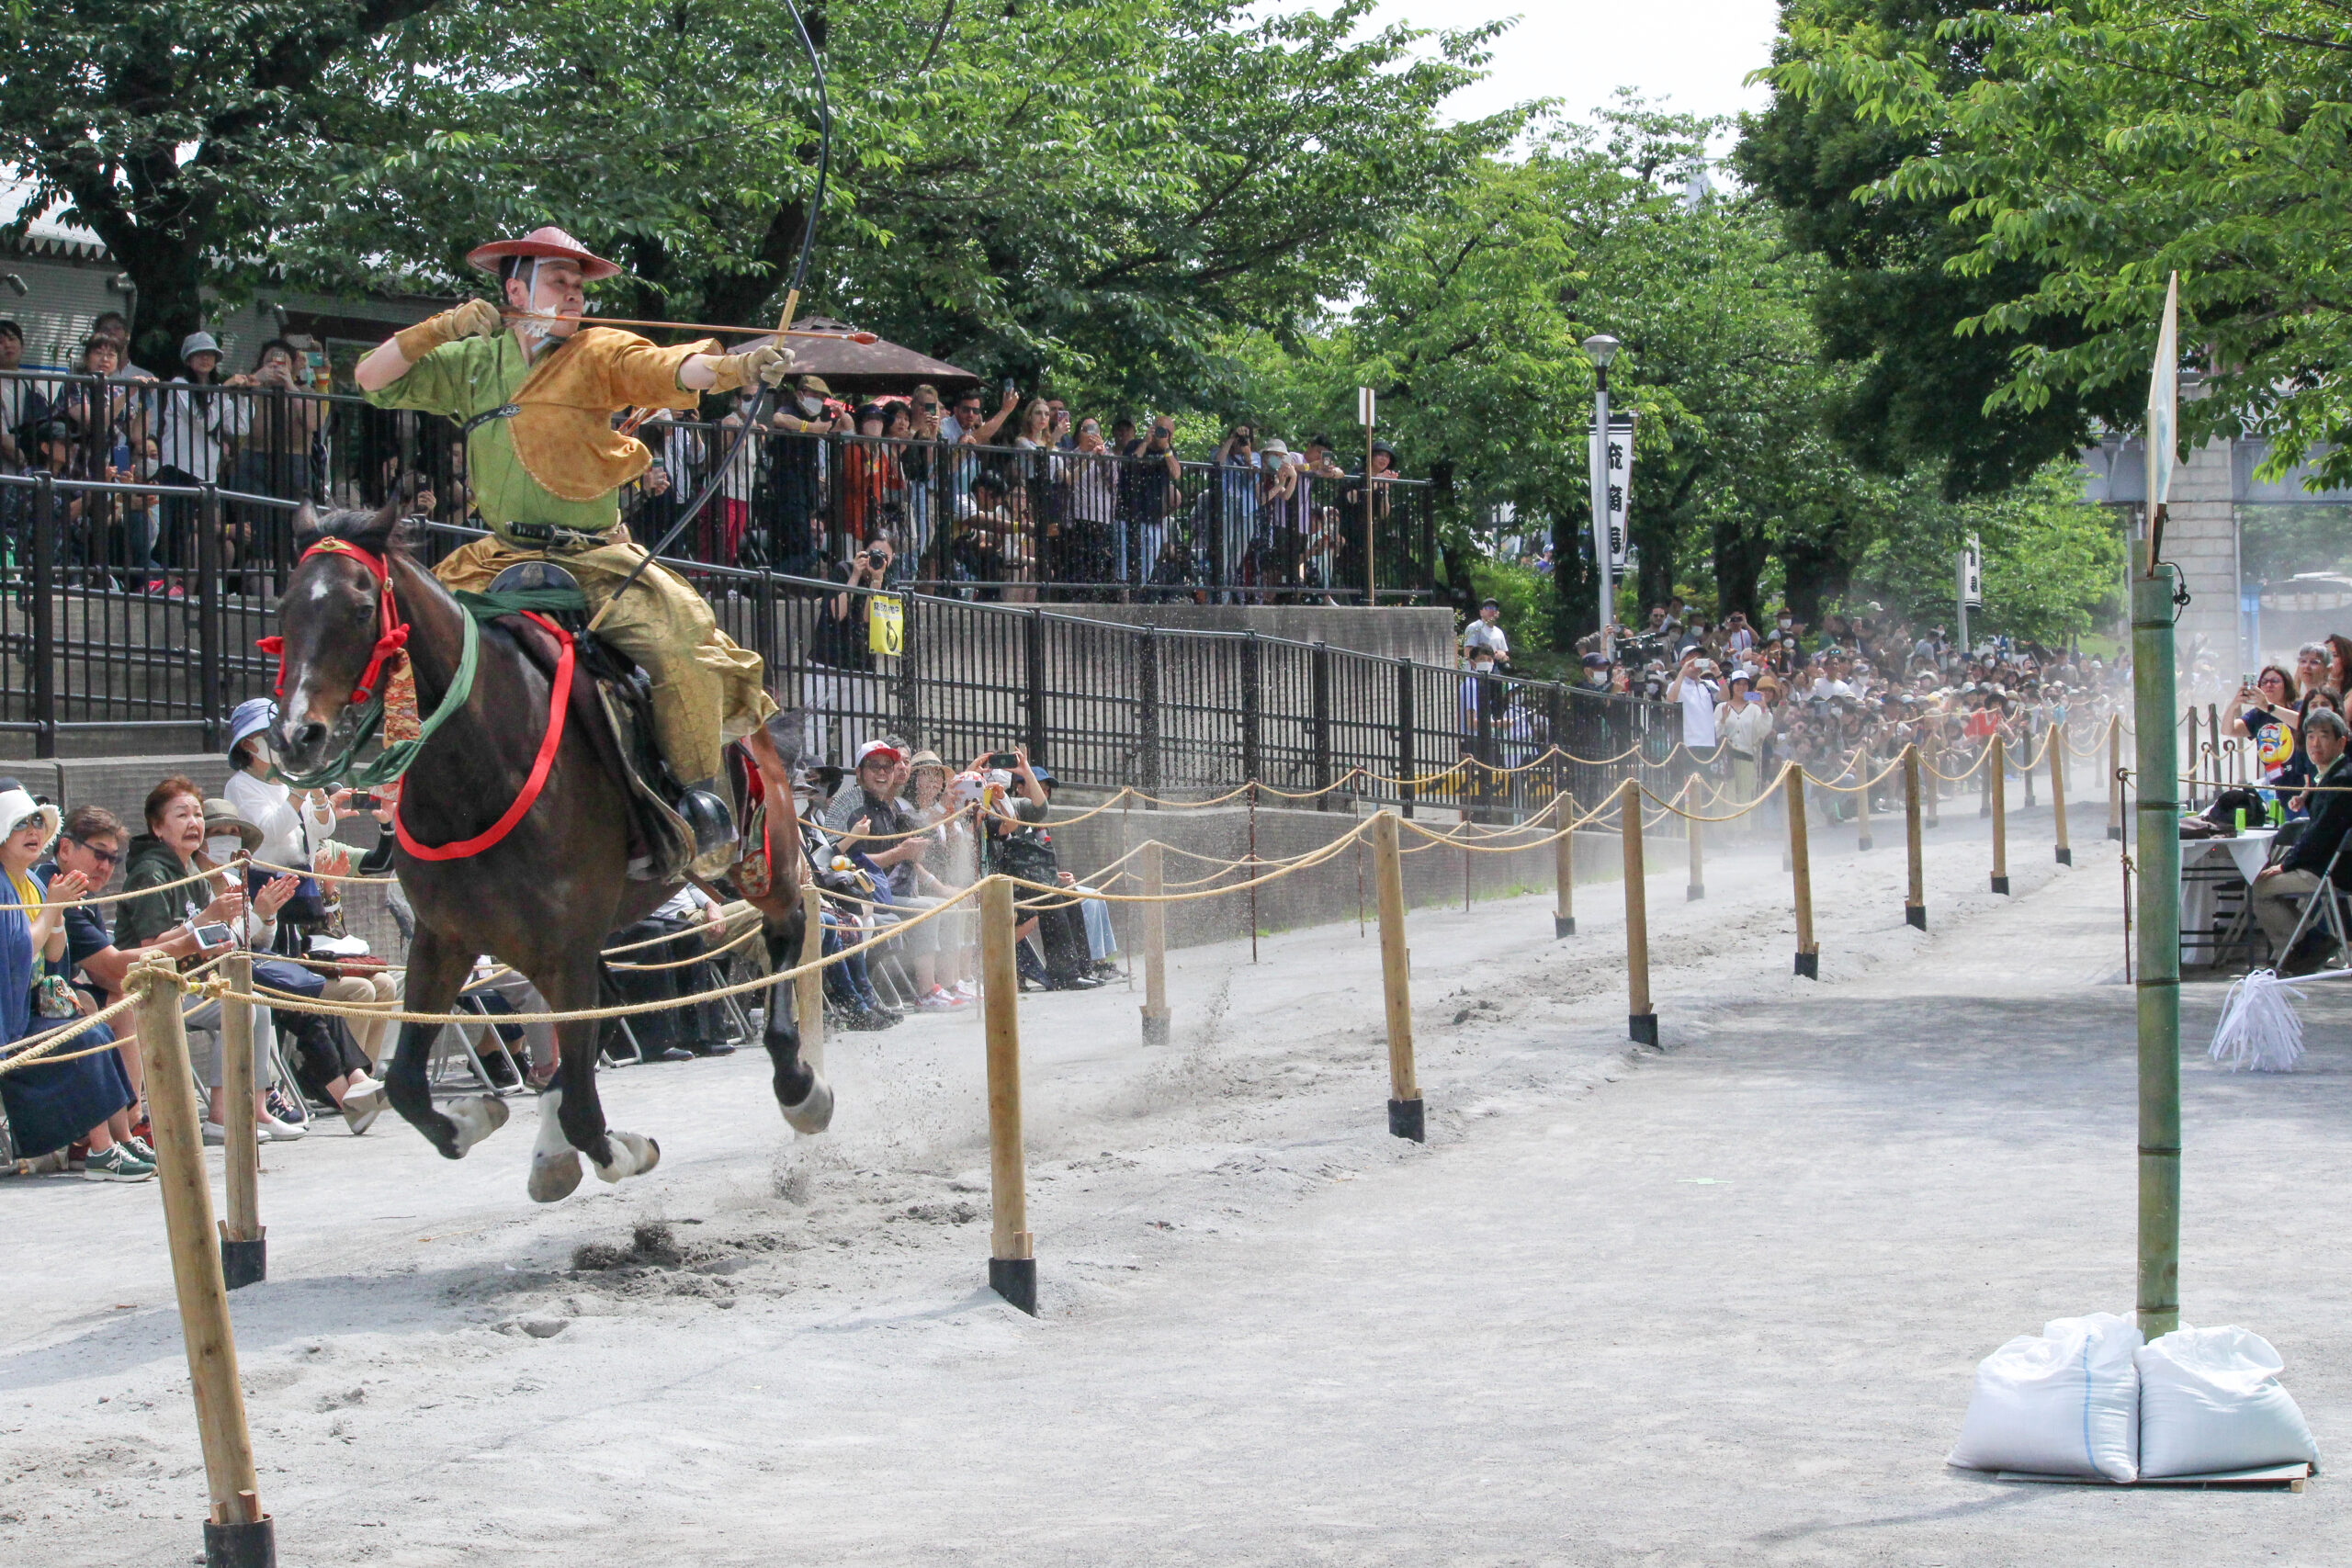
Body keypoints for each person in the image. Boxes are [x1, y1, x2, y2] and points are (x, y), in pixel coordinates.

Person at [352, 226, 799, 873]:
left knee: (686, 649)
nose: (573, 295)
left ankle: (698, 805)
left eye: (579, 286)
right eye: (558, 282)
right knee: (407, 646)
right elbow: (370, 377)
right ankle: (401, 799)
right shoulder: (474, 362)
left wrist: (738, 368)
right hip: (498, 556)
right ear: (514, 291)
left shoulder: (597, 350)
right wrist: (440, 328)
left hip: (596, 559)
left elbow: (669, 368)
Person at [0, 783, 149, 1179]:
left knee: (94, 1028)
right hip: (7, 1020)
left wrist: (57, 913)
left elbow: (53, 957)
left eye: (37, 822)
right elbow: (17, 954)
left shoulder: (34, 883)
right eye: (21, 823)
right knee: (81, 1036)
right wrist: (52, 908)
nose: (33, 831)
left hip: (26, 1009)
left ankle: (121, 1137)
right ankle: (99, 1151)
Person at [2252, 708, 2352, 974]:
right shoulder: (2329, 776)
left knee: (2259, 887)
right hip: (2322, 865)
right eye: (2310, 736)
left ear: (2341, 742)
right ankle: (2306, 943)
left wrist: (2285, 865)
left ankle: (2301, 949)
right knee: (2266, 883)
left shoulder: (2341, 779)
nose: (2316, 743)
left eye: (2324, 736)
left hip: (2332, 871)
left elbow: (2321, 833)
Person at [1716, 671, 1773, 799]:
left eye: (1744, 684)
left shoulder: (1754, 708)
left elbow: (1763, 730)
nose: (1741, 687)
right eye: (1738, 684)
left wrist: (1763, 707)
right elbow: (1716, 732)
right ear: (1732, 686)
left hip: (1746, 757)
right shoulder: (1722, 707)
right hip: (1726, 759)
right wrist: (1723, 720)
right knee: (1727, 797)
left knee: (1745, 797)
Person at [1668, 652, 1720, 753]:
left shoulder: (1707, 685)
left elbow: (1725, 697)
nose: (1695, 663)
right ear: (1683, 662)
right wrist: (1682, 672)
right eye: (1691, 659)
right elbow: (1671, 700)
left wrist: (1719, 675)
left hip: (1709, 742)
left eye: (1698, 659)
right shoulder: (1675, 685)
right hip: (1688, 743)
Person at [1462, 598, 1510, 669]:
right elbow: (1468, 652)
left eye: (1494, 608)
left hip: (1494, 670)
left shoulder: (1499, 632)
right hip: (1475, 671)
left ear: (1498, 613)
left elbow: (1504, 654)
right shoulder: (1475, 627)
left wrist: (1502, 655)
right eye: (1487, 608)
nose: (1491, 611)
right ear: (1481, 612)